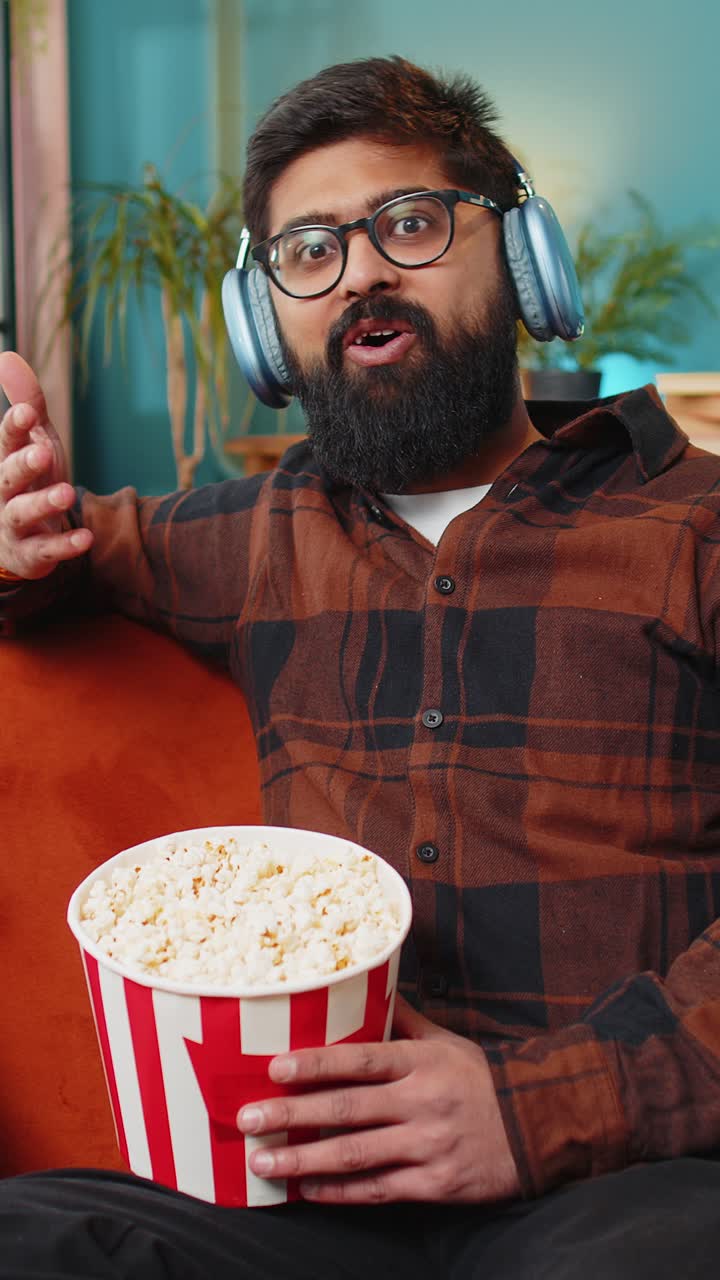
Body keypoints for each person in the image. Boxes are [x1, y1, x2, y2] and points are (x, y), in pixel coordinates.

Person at [1, 54, 720, 1280]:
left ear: (525, 258)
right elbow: (58, 557)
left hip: (621, 1184)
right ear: (265, 324)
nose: (362, 270)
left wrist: (529, 1108)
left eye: (411, 221)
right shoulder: (262, 530)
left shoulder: (695, 522)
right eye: (307, 251)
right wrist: (14, 525)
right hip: (295, 1191)